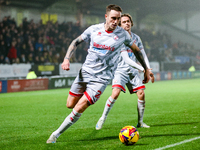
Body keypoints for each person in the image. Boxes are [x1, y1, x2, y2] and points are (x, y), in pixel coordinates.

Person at [46, 4, 151, 144]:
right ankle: (82, 103)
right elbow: (75, 42)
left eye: (118, 19)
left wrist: (146, 69)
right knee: (70, 104)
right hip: (85, 73)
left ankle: (55, 135)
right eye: (113, 18)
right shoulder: (93, 29)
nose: (116, 22)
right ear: (106, 17)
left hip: (101, 80)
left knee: (80, 106)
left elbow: (137, 51)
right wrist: (66, 59)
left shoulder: (122, 34)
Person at [95, 13, 154, 130]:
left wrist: (148, 68)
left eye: (128, 21)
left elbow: (142, 54)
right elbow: (126, 59)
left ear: (131, 23)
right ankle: (103, 118)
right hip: (120, 70)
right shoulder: (118, 38)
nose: (127, 23)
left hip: (133, 71)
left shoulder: (136, 38)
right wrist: (143, 69)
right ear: (120, 25)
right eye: (124, 22)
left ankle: (140, 122)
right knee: (115, 93)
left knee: (141, 94)